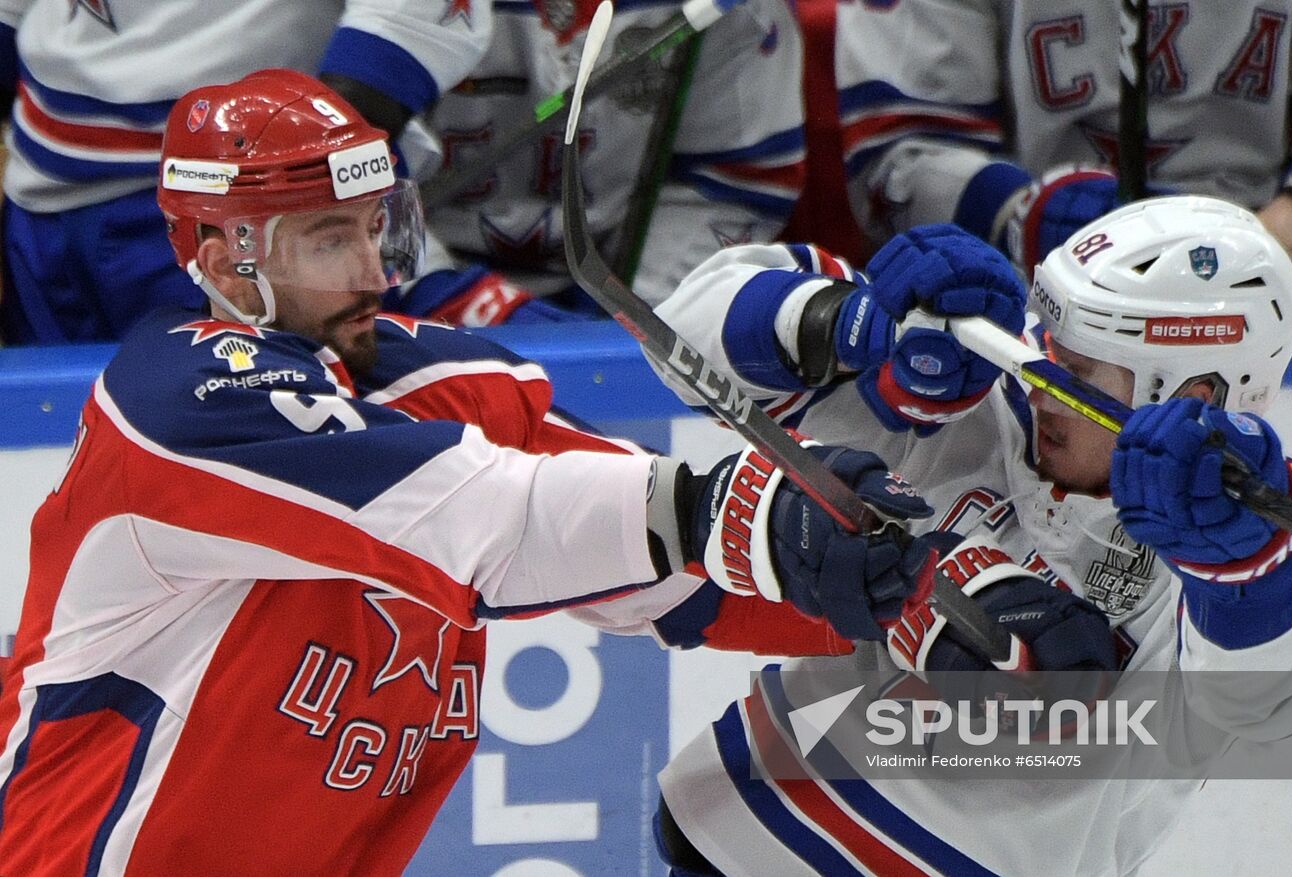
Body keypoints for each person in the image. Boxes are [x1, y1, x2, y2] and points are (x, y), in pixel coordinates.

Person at [0, 69, 953, 874]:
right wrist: (722, 508)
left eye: (378, 228)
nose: (374, 270)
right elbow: (489, 517)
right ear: (221, 257)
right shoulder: (173, 402)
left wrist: (921, 600)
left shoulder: (446, 379)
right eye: (331, 239)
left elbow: (673, 570)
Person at [645, 196, 1292, 875]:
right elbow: (674, 334)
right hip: (744, 829)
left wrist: (1242, 565)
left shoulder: (1291, 512)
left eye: (1078, 367)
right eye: (1047, 343)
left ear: (1188, 392)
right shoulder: (963, 386)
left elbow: (1267, 702)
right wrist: (839, 323)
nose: (1037, 376)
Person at [0, 0, 526, 344]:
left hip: (250, 204)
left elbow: (384, 64)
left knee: (280, 444)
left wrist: (303, 229)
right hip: (36, 210)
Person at [837, 0, 1292, 276]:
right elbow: (897, 157)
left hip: (1273, 274)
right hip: (1022, 282)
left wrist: (1272, 239)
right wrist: (1032, 223)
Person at [415, 0, 815, 312]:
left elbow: (727, 184)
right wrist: (432, 289)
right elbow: (364, 164)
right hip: (412, 283)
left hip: (610, 272)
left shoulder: (740, 13)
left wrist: (635, 310)